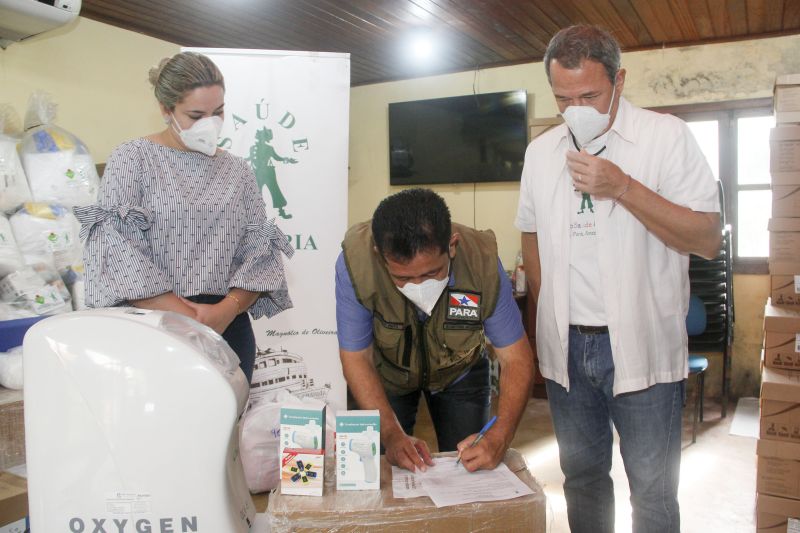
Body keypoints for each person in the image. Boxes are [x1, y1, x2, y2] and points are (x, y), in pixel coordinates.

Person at [515, 25, 721, 533]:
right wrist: (551, 312)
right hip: (567, 350)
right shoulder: (541, 154)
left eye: (590, 95)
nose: (576, 108)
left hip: (642, 347)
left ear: (619, 81)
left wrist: (624, 186)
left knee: (652, 490)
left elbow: (707, 237)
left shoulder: (664, 136)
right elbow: (530, 235)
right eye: (564, 98)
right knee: (582, 480)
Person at [75, 52, 294, 383]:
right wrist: (186, 318)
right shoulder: (133, 158)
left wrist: (227, 309)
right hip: (154, 325)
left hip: (227, 326)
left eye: (218, 112)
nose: (210, 123)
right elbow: (119, 251)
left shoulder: (237, 170)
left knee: (225, 431)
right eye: (195, 115)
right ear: (166, 110)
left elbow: (260, 254)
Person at [336, 188, 534, 473]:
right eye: (402, 277)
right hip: (388, 373)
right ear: (380, 256)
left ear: (452, 246)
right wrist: (391, 433)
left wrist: (501, 435)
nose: (418, 285)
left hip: (460, 371)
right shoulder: (356, 265)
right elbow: (356, 358)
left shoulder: (483, 263)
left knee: (473, 466)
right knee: (384, 469)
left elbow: (516, 358)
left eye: (431, 273)